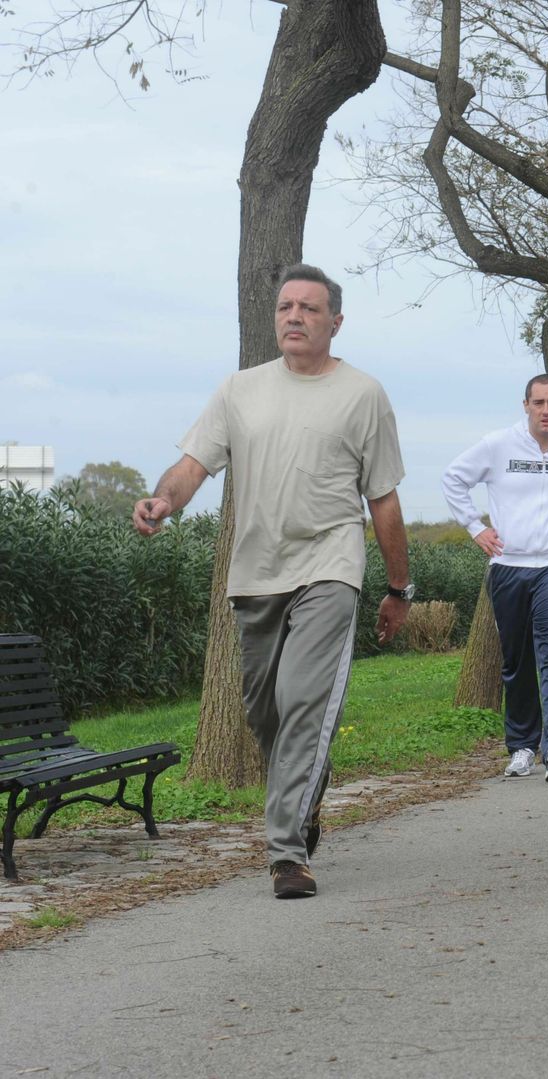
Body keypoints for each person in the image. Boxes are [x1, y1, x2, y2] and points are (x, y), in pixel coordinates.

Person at [133, 263, 411, 900]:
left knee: (304, 700)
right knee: (266, 711)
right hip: (255, 572)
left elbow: (385, 502)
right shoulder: (240, 390)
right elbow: (193, 464)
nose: (295, 317)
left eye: (310, 309)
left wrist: (399, 590)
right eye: (286, 307)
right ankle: (308, 788)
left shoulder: (364, 394)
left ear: (334, 323)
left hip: (331, 566)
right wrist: (162, 502)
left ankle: (287, 855)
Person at [442, 373, 548, 783]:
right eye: (539, 403)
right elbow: (454, 480)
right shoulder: (498, 445)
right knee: (518, 661)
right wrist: (475, 527)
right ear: (526, 406)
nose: (546, 411)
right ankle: (521, 747)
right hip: (508, 568)